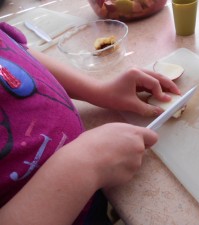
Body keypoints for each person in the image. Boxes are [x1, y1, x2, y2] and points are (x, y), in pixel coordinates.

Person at [0, 22, 180, 225]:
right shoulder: (88, 165)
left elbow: (19, 54)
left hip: (91, 188)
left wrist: (99, 91)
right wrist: (86, 164)